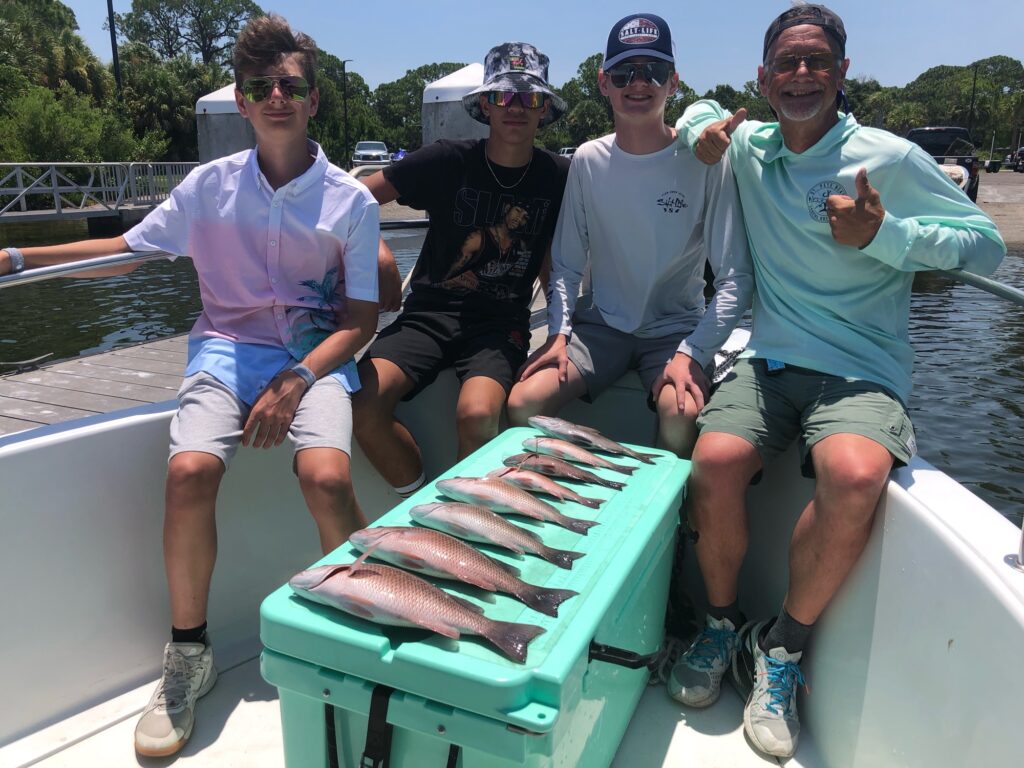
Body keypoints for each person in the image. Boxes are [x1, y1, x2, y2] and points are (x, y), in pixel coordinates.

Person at [1, 14, 381, 757]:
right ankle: (189, 655)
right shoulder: (208, 188)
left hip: (314, 353)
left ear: (313, 100)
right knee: (189, 472)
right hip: (227, 350)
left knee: (327, 476)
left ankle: (364, 624)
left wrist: (299, 380)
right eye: (260, 87)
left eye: (291, 85)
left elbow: (360, 320)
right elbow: (125, 250)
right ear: (241, 102)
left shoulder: (351, 201)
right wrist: (18, 256)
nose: (276, 96)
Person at [668, 4, 1006, 759]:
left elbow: (987, 251)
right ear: (762, 76)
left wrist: (886, 237)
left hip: (861, 365)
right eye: (786, 61)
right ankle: (722, 626)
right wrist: (698, 131)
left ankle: (781, 649)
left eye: (817, 60)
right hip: (772, 356)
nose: (800, 74)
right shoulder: (749, 146)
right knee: (714, 461)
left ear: (843, 73)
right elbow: (692, 111)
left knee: (854, 477)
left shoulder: (886, 157)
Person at [506, 13, 752, 458]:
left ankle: (675, 520)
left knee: (680, 415)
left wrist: (693, 352)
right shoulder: (587, 159)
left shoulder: (705, 159)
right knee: (522, 402)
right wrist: (558, 332)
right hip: (602, 326)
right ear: (604, 82)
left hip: (676, 329)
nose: (638, 83)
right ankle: (561, 496)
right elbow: (566, 264)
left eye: (653, 71)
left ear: (673, 82)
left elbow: (735, 278)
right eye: (624, 72)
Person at [353, 42, 570, 497]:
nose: (514, 108)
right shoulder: (447, 160)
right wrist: (379, 253)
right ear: (485, 106)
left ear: (544, 108)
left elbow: (551, 255)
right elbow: (352, 199)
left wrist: (558, 330)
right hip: (428, 313)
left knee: (476, 414)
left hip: (498, 323)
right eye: (502, 97)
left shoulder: (559, 176)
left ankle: (465, 521)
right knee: (364, 404)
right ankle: (421, 503)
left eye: (528, 97)